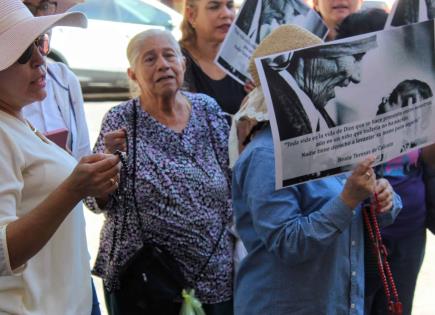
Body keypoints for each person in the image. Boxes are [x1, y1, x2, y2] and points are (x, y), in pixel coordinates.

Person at [232, 25, 402, 315]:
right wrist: (348, 200)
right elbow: (289, 244)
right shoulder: (265, 156)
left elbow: (355, 218)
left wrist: (382, 198)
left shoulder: (327, 139)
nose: (353, 77)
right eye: (334, 64)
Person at [85, 29, 234, 315]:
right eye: (149, 59)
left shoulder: (207, 109)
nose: (163, 65)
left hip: (212, 274)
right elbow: (94, 202)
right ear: (133, 75)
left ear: (183, 64)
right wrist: (107, 164)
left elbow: (231, 177)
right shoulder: (120, 119)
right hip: (145, 282)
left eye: (169, 55)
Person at [0, 0, 120, 314]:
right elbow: (2, 252)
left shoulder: (15, 120)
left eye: (40, 44)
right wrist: (73, 189)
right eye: (24, 53)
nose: (41, 60)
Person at [336, 9, 431, 315]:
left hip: (408, 232)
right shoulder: (339, 105)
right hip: (357, 238)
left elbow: (427, 159)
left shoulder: (414, 91)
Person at [262, 34, 376, 140]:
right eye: (356, 57)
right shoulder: (273, 118)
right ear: (314, 50)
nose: (357, 78)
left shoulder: (319, 116)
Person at [22, 0, 90, 161]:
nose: (40, 16)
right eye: (27, 7)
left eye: (42, 43)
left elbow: (82, 153)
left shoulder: (63, 77)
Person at [180, 0, 247, 116]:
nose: (226, 14)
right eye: (214, 7)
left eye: (230, 6)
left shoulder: (245, 54)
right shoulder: (174, 62)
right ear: (191, 15)